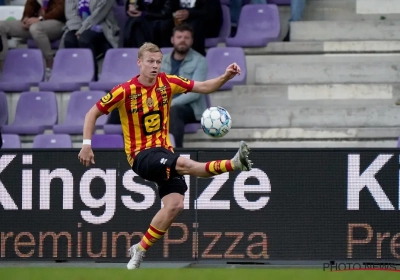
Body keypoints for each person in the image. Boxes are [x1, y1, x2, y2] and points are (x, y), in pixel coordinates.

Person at [78, 42, 253, 270]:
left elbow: (205, 86)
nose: (155, 66)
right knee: (185, 163)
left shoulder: (168, 83)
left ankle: (139, 249)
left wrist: (226, 76)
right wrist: (86, 144)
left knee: (175, 204)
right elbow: (92, 113)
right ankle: (234, 163)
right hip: (140, 156)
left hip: (163, 151)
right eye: (150, 61)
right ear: (139, 62)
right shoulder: (124, 91)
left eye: (158, 61)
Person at [160, 23, 207, 148]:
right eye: (179, 37)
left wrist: (170, 104)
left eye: (186, 38)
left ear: (191, 41)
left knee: (174, 111)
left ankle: (176, 153)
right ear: (172, 40)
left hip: (189, 108)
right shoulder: (161, 60)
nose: (182, 40)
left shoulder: (200, 61)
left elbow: (195, 92)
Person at [0, 0, 65, 78]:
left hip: (57, 23)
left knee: (36, 28)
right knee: (2, 26)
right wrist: (26, 19)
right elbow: (29, 7)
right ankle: (3, 68)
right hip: (35, 23)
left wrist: (40, 19)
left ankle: (50, 64)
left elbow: (60, 11)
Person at [61, 0, 120, 80]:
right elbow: (71, 14)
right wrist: (78, 28)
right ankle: (75, 76)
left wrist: (82, 29)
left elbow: (99, 14)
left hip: (101, 25)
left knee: (84, 40)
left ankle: (92, 76)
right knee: (69, 40)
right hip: (77, 25)